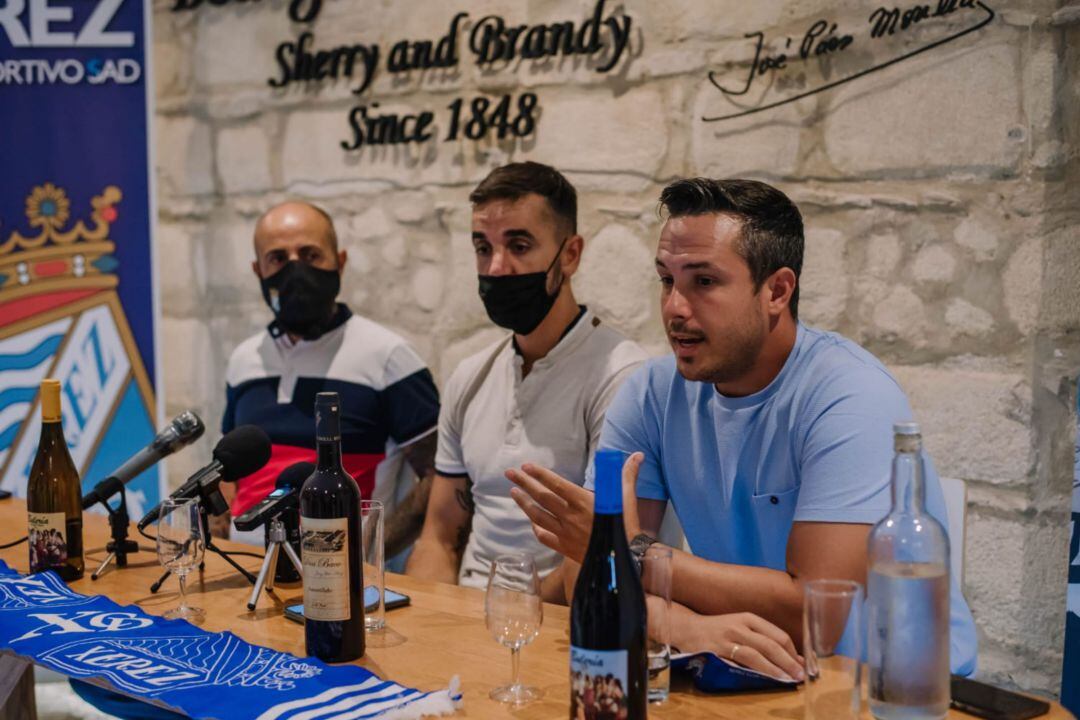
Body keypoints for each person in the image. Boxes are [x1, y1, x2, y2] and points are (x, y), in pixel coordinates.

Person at [508, 178, 978, 680]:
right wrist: (682, 626)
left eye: (704, 282)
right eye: (667, 280)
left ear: (777, 291)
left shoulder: (851, 396)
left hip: (890, 689)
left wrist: (633, 554)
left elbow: (817, 614)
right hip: (745, 671)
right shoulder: (650, 393)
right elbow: (586, 571)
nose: (674, 308)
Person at [406, 162, 648, 601]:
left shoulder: (618, 376)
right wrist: (432, 618)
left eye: (519, 245)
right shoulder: (470, 376)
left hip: (558, 617)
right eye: (483, 248)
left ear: (570, 254)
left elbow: (597, 548)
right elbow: (438, 538)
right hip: (465, 613)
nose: (497, 267)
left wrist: (510, 613)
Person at [222, 201, 439, 561]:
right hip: (244, 571)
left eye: (311, 255)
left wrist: (365, 553)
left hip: (339, 579)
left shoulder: (389, 358)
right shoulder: (244, 360)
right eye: (278, 258)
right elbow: (231, 473)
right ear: (258, 270)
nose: (295, 270)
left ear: (339, 261)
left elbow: (439, 478)